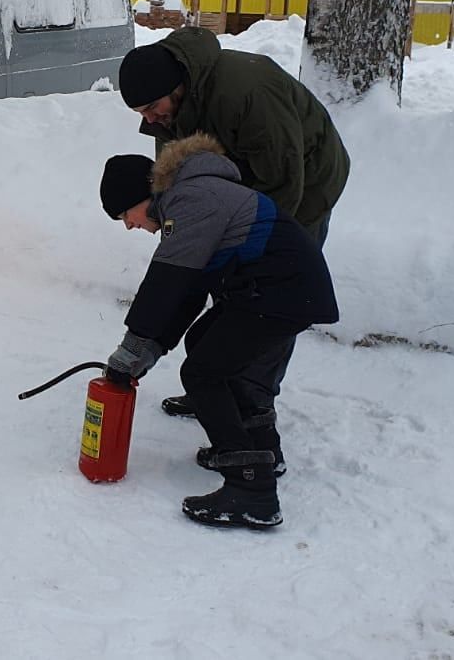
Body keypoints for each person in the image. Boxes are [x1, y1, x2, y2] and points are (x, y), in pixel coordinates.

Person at [99, 134, 338, 530]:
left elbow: (166, 284)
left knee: (203, 373)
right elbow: (188, 293)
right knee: (203, 345)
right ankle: (262, 449)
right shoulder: (191, 198)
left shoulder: (192, 200)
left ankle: (251, 489)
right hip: (278, 290)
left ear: (143, 196)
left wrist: (131, 352)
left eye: (126, 214)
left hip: (282, 292)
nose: (129, 225)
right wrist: (152, 349)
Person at [118, 28, 349, 422]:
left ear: (177, 86)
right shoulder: (168, 114)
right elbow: (178, 185)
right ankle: (214, 386)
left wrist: (241, 243)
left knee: (268, 292)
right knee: (225, 279)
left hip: (306, 185)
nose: (151, 119)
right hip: (241, 187)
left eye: (153, 107)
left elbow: (282, 182)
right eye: (142, 114)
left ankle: (252, 403)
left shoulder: (246, 93)